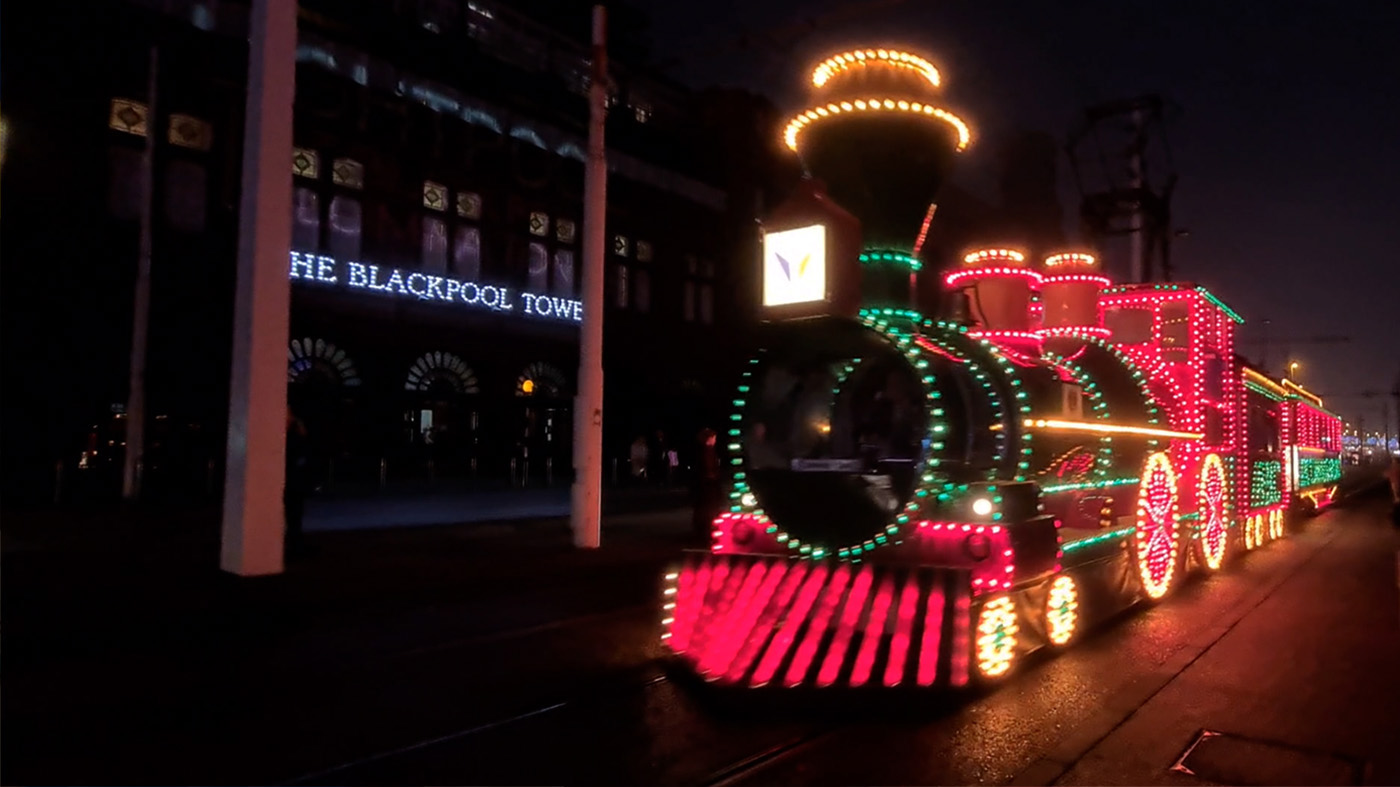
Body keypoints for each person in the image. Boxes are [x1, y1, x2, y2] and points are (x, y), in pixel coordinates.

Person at [284, 406, 311, 559]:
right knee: (294, 514)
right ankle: (295, 545)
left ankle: (295, 544)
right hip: (293, 481)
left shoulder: (291, 435)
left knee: (294, 515)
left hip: (294, 481)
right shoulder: (291, 437)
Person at [692, 427, 722, 542]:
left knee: (702, 510)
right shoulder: (707, 452)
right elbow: (709, 469)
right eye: (714, 438)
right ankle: (706, 533)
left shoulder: (702, 451)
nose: (715, 440)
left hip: (703, 486)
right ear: (709, 439)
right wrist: (714, 477)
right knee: (708, 511)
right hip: (707, 486)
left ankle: (702, 532)